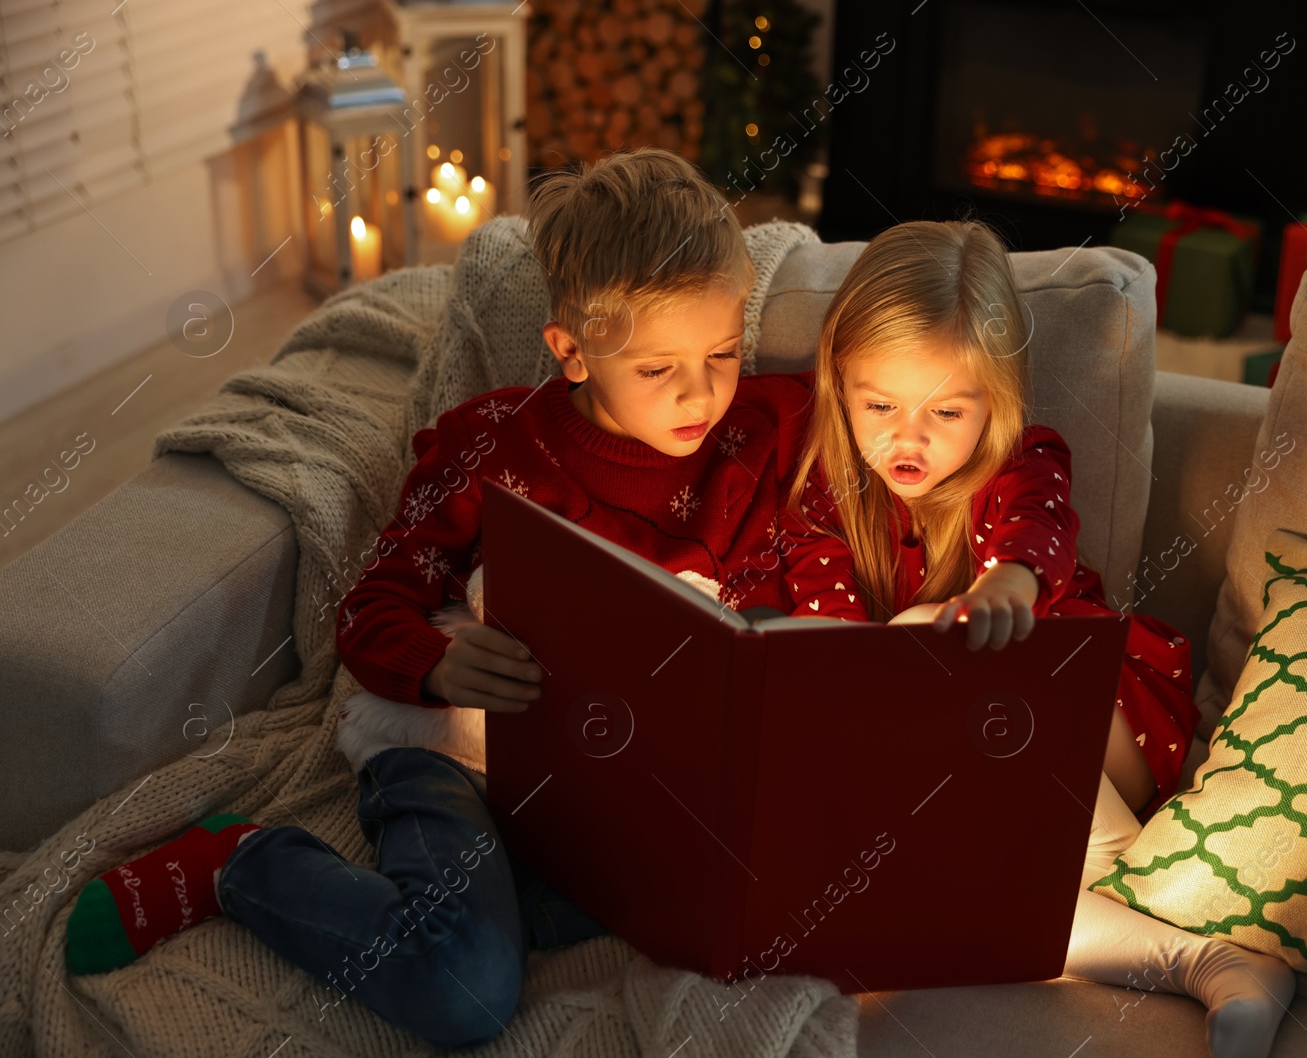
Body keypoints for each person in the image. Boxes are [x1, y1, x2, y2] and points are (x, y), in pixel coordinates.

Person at [64, 148, 814, 1049]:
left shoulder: (767, 434)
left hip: (614, 777)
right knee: (463, 987)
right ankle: (242, 862)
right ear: (570, 351)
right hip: (454, 752)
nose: (702, 391)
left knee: (739, 901)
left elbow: (968, 443)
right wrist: (441, 661)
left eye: (723, 351)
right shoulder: (493, 443)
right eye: (658, 368)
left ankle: (468, 896)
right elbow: (373, 607)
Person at [777, 219, 1296, 1058]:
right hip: (983, 760)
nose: (907, 438)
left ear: (996, 401)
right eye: (879, 406)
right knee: (947, 895)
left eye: (946, 410)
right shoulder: (825, 497)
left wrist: (1004, 586)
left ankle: (1125, 863)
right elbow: (831, 641)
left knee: (921, 642)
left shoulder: (1021, 462)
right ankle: (1213, 963)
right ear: (839, 386)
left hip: (1101, 709)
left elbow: (1035, 537)